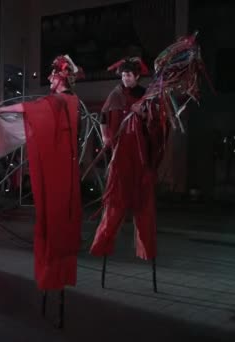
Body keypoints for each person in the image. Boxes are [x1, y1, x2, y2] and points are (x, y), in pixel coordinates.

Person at [0, 54, 83, 292]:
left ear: (62, 78)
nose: (50, 78)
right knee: (62, 212)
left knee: (52, 213)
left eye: (53, 74)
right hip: (67, 166)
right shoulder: (72, 101)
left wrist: (1, 110)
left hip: (57, 165)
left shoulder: (59, 101)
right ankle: (58, 267)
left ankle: (53, 268)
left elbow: (29, 108)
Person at [90, 57, 164, 261]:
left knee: (143, 203)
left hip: (139, 154)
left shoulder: (145, 94)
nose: (125, 78)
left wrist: (143, 112)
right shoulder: (115, 94)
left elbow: (155, 123)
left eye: (129, 75)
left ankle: (147, 249)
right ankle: (103, 242)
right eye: (123, 75)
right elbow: (103, 117)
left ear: (137, 77)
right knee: (115, 200)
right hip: (119, 152)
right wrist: (105, 136)